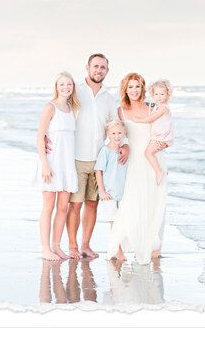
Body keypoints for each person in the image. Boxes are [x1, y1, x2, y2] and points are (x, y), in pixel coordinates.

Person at [45, 54, 129, 259]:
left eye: (102, 67)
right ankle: (72, 246)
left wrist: (125, 145)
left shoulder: (109, 99)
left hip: (100, 159)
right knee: (75, 204)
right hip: (75, 158)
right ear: (87, 68)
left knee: (93, 203)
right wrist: (46, 135)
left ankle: (85, 245)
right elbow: (58, 112)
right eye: (95, 66)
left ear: (107, 71)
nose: (98, 70)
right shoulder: (76, 92)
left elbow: (116, 126)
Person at [107, 73, 168, 265]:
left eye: (138, 86)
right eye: (131, 87)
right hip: (133, 162)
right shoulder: (120, 111)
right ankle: (136, 242)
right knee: (134, 201)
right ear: (125, 89)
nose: (134, 90)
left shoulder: (153, 107)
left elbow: (165, 130)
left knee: (155, 201)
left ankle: (154, 245)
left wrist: (165, 144)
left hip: (153, 160)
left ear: (143, 89)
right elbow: (116, 136)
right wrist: (123, 147)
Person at [34, 72, 80, 261]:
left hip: (67, 163)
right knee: (48, 206)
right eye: (62, 84)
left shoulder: (72, 108)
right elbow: (39, 136)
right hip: (52, 162)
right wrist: (44, 164)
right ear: (56, 86)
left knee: (63, 207)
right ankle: (46, 249)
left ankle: (56, 247)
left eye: (69, 84)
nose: (66, 87)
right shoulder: (50, 107)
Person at [94, 120, 128, 260]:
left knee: (122, 221)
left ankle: (119, 248)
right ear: (108, 134)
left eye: (119, 133)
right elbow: (98, 171)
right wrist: (102, 191)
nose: (117, 136)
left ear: (124, 133)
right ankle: (118, 250)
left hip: (123, 193)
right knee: (114, 222)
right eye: (113, 133)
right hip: (109, 194)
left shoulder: (123, 152)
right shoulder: (105, 151)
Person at [133, 80, 173, 186]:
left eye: (162, 94)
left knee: (148, 153)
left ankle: (159, 171)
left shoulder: (163, 108)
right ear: (152, 94)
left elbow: (151, 118)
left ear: (167, 94)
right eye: (156, 94)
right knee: (154, 153)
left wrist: (138, 120)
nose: (159, 96)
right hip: (159, 137)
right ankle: (162, 169)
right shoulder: (157, 106)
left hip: (161, 137)